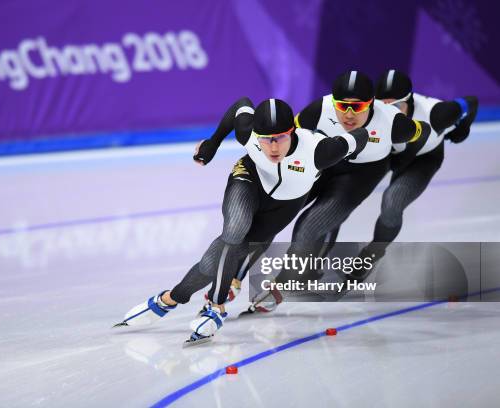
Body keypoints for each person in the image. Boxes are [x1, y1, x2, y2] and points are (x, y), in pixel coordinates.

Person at [114, 97, 369, 345]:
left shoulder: (319, 150)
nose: (273, 147)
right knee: (233, 232)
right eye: (265, 140)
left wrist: (366, 132)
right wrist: (212, 144)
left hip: (286, 204)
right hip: (248, 180)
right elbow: (240, 104)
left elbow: (360, 137)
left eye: (280, 138)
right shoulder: (247, 132)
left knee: (211, 264)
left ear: (293, 131)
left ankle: (168, 299)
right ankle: (216, 306)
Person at [244, 70, 433, 313]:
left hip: (361, 175)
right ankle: (238, 270)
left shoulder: (392, 121)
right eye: (342, 106)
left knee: (308, 227)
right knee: (274, 212)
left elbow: (423, 132)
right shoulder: (319, 110)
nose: (349, 115)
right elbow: (288, 136)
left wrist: (401, 161)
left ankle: (281, 286)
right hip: (325, 162)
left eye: (358, 107)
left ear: (371, 104)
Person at [347, 69, 479, 282]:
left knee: (392, 203)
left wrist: (462, 128)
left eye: (397, 107)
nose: (391, 114)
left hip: (422, 159)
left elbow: (471, 101)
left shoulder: (437, 114)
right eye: (384, 107)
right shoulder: (368, 113)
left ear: (410, 102)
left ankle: (373, 252)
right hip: (386, 153)